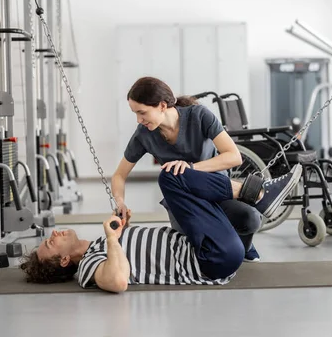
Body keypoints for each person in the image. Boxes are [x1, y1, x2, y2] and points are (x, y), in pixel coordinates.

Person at [19, 164, 302, 292]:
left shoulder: (100, 245)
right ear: (65, 260)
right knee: (171, 176)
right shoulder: (88, 266)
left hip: (202, 243)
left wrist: (119, 233)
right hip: (211, 260)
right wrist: (113, 240)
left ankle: (255, 199)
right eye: (51, 243)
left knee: (174, 174)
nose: (54, 234)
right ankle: (259, 195)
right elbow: (117, 282)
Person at [111, 77, 295, 262]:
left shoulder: (199, 115)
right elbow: (119, 175)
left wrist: (191, 168)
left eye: (142, 113)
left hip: (218, 191)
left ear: (162, 105)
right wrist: (120, 202)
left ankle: (244, 243)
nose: (138, 119)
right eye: (135, 113)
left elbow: (233, 156)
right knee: (196, 240)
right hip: (184, 200)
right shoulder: (143, 134)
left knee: (251, 219)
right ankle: (246, 214)